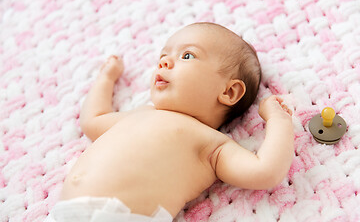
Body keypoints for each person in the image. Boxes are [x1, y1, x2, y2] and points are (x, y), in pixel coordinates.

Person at [46, 22, 294, 222]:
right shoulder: (142, 113)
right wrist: (106, 78)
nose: (164, 62)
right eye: (163, 56)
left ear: (229, 92)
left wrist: (278, 118)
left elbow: (265, 171)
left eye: (187, 55)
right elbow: (93, 120)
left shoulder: (212, 144)